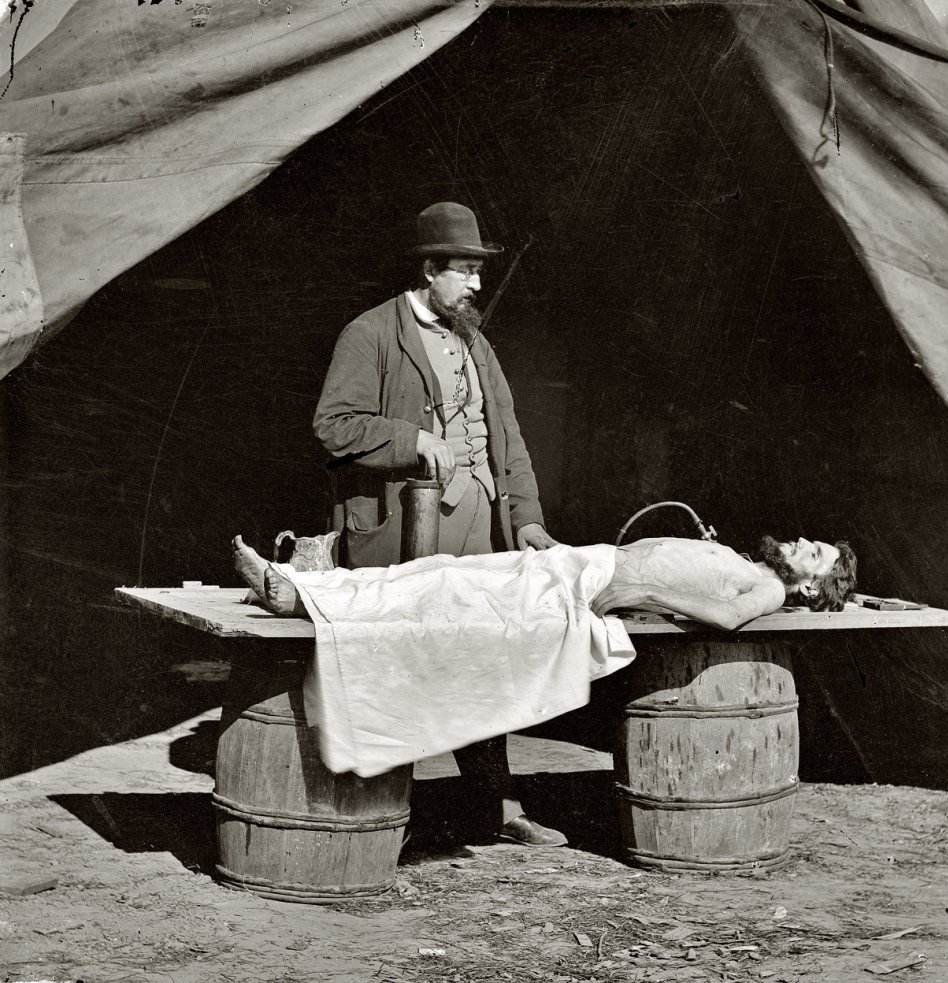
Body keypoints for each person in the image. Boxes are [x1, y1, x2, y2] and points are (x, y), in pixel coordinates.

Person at [311, 202, 562, 846]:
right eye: (466, 271)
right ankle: (378, 812)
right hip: (404, 531)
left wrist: (527, 518)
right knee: (398, 663)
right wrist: (411, 437)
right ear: (428, 270)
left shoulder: (476, 342)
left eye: (479, 271)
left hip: (481, 527)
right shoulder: (369, 334)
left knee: (482, 663)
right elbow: (333, 427)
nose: (477, 284)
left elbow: (507, 437)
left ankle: (496, 807)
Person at [234, 533, 857, 630]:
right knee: (445, 571)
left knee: (450, 586)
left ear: (809, 587)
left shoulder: (772, 591)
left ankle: (300, 597)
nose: (805, 543)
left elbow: (724, 618)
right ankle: (307, 584)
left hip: (600, 583)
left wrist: (644, 594)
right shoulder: (755, 565)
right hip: (590, 564)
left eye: (816, 555)